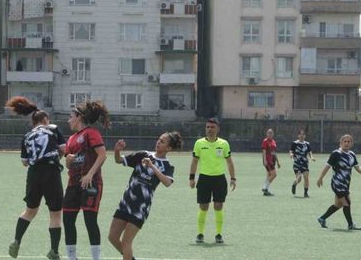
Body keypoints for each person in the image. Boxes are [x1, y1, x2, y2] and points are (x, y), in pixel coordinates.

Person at [5, 96, 66, 260]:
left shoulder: (27, 135)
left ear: (33, 122)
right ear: (45, 119)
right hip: (51, 172)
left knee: (30, 210)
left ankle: (16, 240)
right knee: (55, 213)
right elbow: (64, 149)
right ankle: (54, 251)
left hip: (33, 173)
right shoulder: (53, 129)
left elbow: (24, 162)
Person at [108, 132, 182, 260]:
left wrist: (152, 166)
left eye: (162, 142)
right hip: (126, 203)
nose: (158, 142)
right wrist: (117, 151)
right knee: (112, 237)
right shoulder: (142, 154)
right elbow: (119, 160)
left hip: (140, 208)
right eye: (159, 139)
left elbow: (167, 182)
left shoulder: (167, 166)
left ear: (169, 148)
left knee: (126, 242)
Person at [63, 100, 110, 260]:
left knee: (90, 221)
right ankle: (72, 258)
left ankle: (96, 258)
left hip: (91, 183)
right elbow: (69, 164)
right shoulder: (71, 139)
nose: (68, 120)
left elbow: (102, 154)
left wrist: (90, 174)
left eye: (71, 117)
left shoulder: (91, 133)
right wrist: (68, 160)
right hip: (72, 184)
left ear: (79, 117)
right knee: (68, 220)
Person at [189, 118, 236, 244]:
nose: (209, 129)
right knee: (203, 206)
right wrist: (192, 178)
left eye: (212, 127)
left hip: (219, 179)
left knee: (218, 205)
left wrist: (233, 178)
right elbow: (194, 162)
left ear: (218, 129)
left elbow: (229, 162)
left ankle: (219, 234)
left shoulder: (224, 144)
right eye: (208, 127)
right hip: (204, 178)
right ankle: (200, 233)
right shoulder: (199, 143)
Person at [316, 134, 361, 230]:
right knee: (347, 203)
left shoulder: (352, 155)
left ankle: (322, 218)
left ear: (351, 143)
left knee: (338, 204)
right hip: (337, 184)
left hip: (345, 184)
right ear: (341, 142)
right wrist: (320, 178)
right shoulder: (336, 154)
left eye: (348, 141)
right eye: (344, 141)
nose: (346, 143)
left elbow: (357, 167)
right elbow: (327, 166)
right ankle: (350, 225)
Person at [289, 129, 316, 197]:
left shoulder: (307, 144)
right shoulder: (295, 143)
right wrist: (291, 154)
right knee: (299, 178)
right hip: (297, 163)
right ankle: (294, 184)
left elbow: (309, 152)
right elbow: (291, 151)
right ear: (298, 135)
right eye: (300, 134)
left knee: (306, 177)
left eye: (303, 134)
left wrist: (312, 157)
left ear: (305, 136)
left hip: (305, 163)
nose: (302, 135)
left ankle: (305, 193)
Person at [261, 128, 280, 196]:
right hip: (268, 161)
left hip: (272, 161)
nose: (270, 134)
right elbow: (264, 151)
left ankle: (265, 190)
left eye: (271, 133)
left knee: (269, 174)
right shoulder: (265, 141)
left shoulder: (273, 142)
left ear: (273, 134)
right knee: (274, 174)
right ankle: (265, 187)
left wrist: (278, 162)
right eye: (268, 133)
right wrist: (265, 160)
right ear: (266, 134)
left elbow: (274, 152)